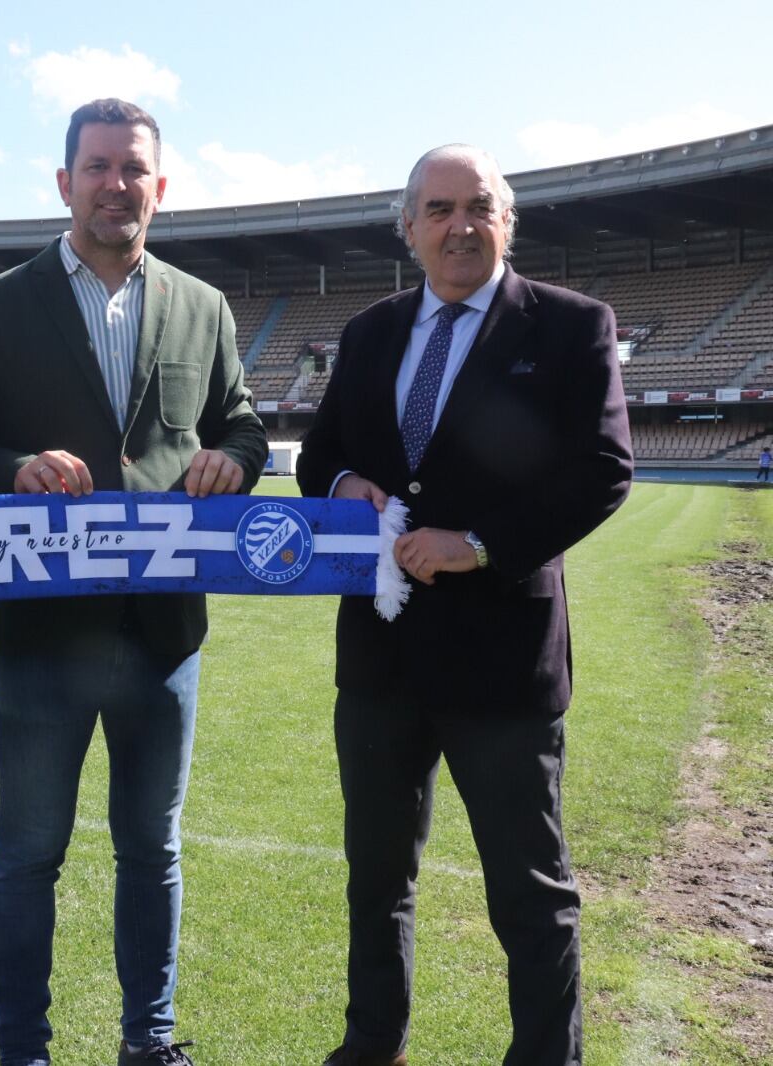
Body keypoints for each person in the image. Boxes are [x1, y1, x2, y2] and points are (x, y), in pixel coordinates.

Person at [0, 98, 268, 1066]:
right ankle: (22, 1050)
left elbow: (240, 422)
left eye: (133, 169)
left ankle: (148, 1041)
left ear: (158, 187)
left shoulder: (202, 306)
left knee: (150, 854)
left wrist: (234, 461)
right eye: (97, 167)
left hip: (164, 635)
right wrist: (11, 468)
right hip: (41, 631)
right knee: (28, 853)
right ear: (63, 181)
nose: (115, 185)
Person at [296, 144, 633, 1066]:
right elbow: (319, 453)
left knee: (527, 891)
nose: (460, 225)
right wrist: (346, 480)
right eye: (439, 209)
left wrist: (478, 544)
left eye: (479, 206)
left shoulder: (570, 327)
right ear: (409, 230)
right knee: (377, 879)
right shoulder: (369, 332)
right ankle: (372, 1046)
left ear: (507, 222)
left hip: (502, 662)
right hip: (380, 657)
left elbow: (603, 472)